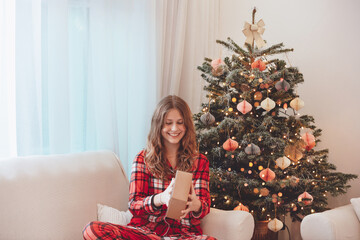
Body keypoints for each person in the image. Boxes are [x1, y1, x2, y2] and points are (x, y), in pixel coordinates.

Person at [83, 95, 216, 240]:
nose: (174, 128)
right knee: (93, 229)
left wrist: (196, 205)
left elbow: (204, 206)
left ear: (187, 125)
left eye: (180, 123)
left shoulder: (200, 161)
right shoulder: (143, 159)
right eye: (168, 123)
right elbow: (134, 205)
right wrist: (160, 198)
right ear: (159, 125)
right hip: (146, 233)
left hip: (183, 234)